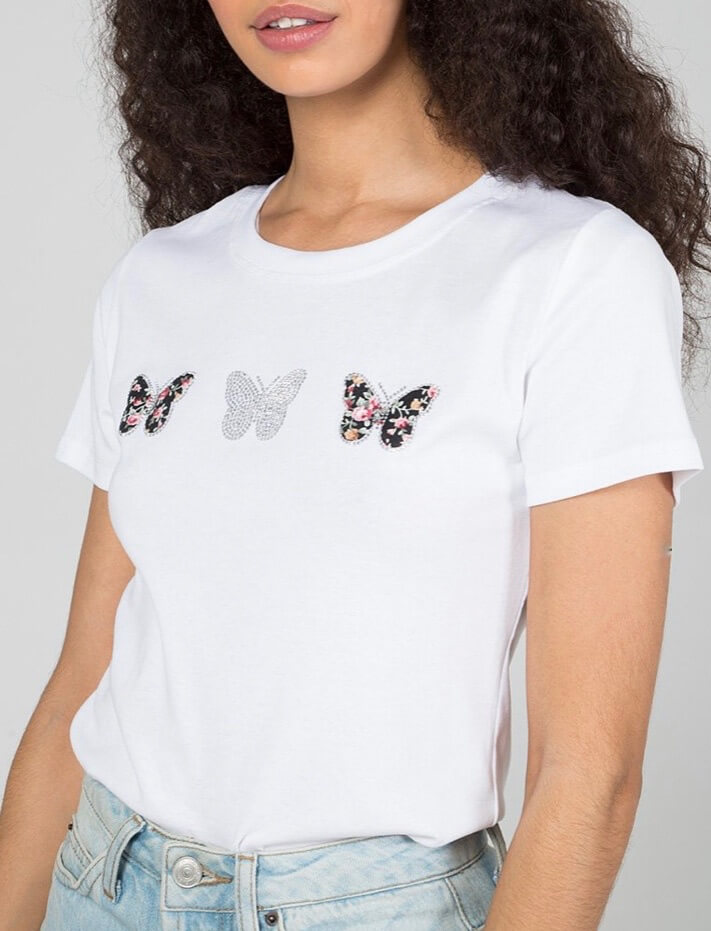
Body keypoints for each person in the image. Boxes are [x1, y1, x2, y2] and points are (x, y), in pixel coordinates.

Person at [1, 1, 708, 928]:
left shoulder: (572, 270)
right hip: (102, 881)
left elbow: (589, 772)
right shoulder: (159, 277)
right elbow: (80, 680)